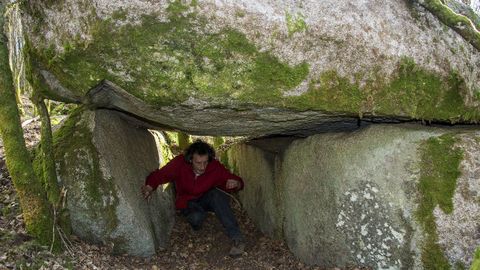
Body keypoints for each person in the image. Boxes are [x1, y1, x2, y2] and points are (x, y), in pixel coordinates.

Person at [141, 139, 246, 257]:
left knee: (217, 195)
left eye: (205, 162)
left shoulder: (214, 167)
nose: (202, 167)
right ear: (190, 159)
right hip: (187, 201)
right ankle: (197, 219)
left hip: (206, 198)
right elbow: (162, 174)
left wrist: (236, 183)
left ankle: (237, 238)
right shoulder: (180, 163)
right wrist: (150, 186)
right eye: (198, 163)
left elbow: (235, 180)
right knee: (196, 219)